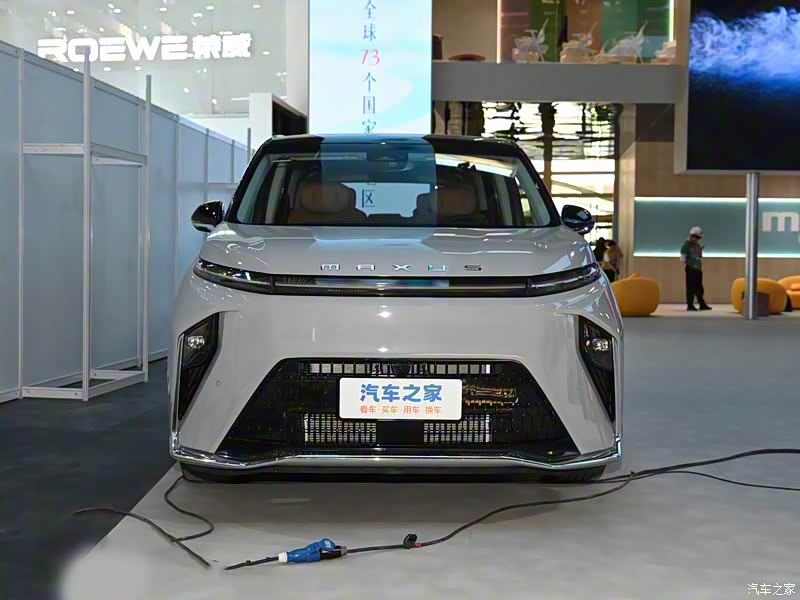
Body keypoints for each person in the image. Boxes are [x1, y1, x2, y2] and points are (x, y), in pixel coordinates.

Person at [681, 226, 711, 311]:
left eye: (699, 238)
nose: (697, 239)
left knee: (699, 287)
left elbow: (699, 256)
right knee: (691, 287)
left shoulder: (697, 245)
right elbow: (682, 259)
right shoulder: (686, 245)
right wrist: (690, 261)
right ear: (691, 235)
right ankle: (690, 305)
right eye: (696, 237)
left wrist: (700, 252)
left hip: (698, 269)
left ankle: (701, 303)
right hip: (691, 269)